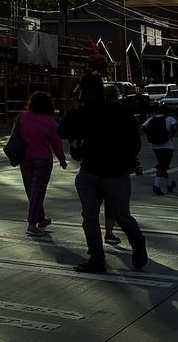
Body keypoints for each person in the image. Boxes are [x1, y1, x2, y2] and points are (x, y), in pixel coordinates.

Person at [58, 74, 147, 274]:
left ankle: (132, 246)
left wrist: (124, 161)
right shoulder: (86, 112)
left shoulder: (116, 112)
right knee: (99, 215)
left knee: (113, 216)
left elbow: (134, 143)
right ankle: (99, 257)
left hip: (108, 172)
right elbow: (62, 131)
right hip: (95, 172)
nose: (85, 95)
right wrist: (74, 109)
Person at [14, 92, 67, 237]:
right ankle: (32, 224)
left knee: (32, 191)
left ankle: (41, 219)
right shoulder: (49, 122)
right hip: (42, 160)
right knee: (38, 191)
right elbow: (56, 144)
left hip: (25, 159)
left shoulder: (22, 118)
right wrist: (62, 160)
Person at [144, 111, 178, 195]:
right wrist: (170, 135)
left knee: (163, 165)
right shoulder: (170, 119)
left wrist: (151, 134)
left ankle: (169, 185)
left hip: (155, 146)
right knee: (162, 166)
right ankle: (156, 186)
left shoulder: (151, 119)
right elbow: (175, 128)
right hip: (167, 146)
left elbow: (143, 127)